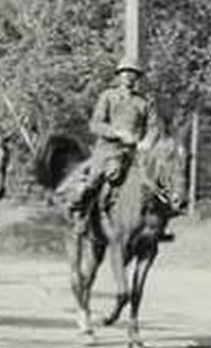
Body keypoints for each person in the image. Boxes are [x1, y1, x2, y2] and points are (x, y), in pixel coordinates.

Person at [62, 59, 155, 229]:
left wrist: (147, 141)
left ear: (137, 77)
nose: (128, 76)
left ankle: (155, 225)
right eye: (125, 72)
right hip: (108, 150)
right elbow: (96, 124)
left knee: (156, 184)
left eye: (132, 73)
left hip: (133, 154)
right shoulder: (108, 96)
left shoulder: (143, 102)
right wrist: (117, 133)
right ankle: (82, 214)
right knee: (95, 180)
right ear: (119, 75)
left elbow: (153, 127)